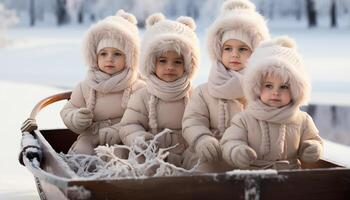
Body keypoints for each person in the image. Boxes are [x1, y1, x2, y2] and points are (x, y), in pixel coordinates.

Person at [182, 0, 270, 172]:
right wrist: (201, 138)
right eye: (228, 48)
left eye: (243, 49)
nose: (234, 54)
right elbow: (192, 121)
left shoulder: (264, 90)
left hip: (250, 155)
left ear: (255, 53)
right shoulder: (204, 92)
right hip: (212, 154)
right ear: (218, 50)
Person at [221, 36, 323, 170]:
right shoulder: (245, 119)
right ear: (256, 87)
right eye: (269, 86)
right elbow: (230, 141)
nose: (276, 92)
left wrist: (312, 148)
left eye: (284, 87)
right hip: (254, 177)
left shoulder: (302, 120)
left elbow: (315, 140)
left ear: (295, 90)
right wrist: (236, 151)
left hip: (291, 178)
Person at [119, 13, 199, 167]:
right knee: (139, 161)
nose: (170, 67)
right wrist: (141, 139)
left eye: (177, 62)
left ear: (188, 65)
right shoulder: (142, 96)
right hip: (152, 153)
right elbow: (128, 125)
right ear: (151, 63)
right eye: (163, 61)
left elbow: (203, 122)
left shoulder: (194, 95)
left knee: (200, 161)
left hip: (186, 152)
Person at [60, 10, 145, 155]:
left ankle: (117, 176)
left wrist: (118, 131)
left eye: (117, 54)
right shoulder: (85, 86)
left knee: (119, 156)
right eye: (103, 53)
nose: (109, 59)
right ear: (95, 57)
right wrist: (75, 117)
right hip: (90, 136)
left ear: (129, 58)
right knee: (81, 152)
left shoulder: (137, 87)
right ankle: (81, 175)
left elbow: (142, 118)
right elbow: (68, 109)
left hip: (123, 137)